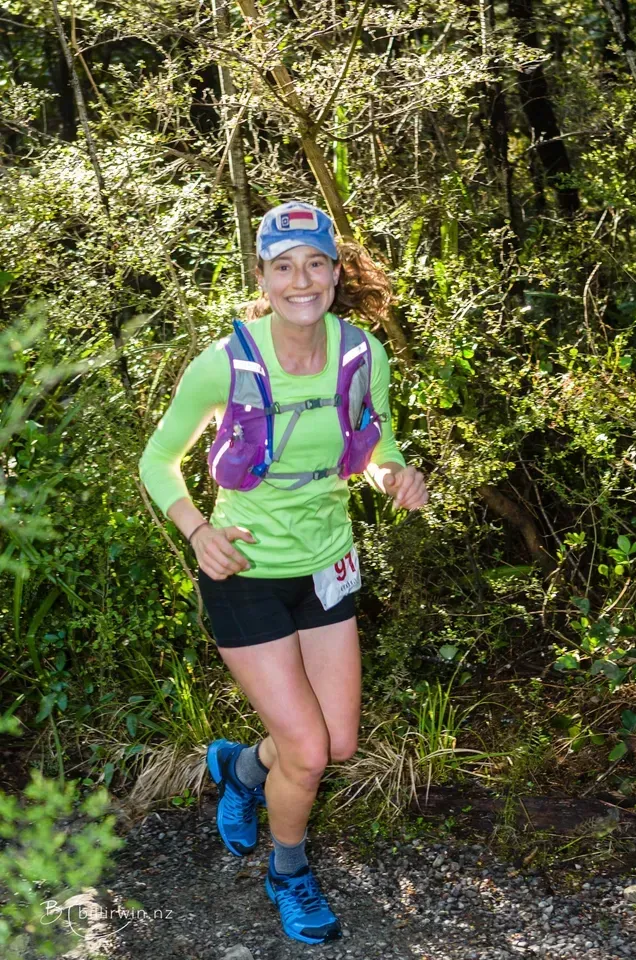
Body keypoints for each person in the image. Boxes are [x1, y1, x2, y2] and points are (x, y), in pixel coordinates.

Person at [139, 201, 428, 945]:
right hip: (245, 571)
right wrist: (197, 531)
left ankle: (240, 769)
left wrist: (394, 473)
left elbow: (373, 441)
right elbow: (156, 459)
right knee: (304, 750)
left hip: (327, 565)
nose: (302, 279)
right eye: (283, 266)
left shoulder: (363, 353)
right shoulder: (225, 364)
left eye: (316, 263)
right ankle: (289, 870)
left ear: (335, 273)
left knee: (333, 745)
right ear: (263, 278)